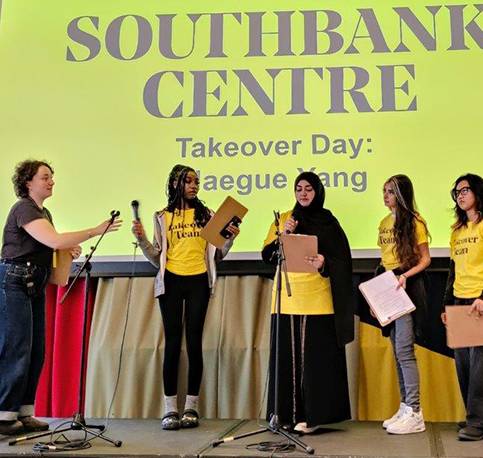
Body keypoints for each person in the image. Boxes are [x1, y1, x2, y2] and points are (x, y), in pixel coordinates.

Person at [0, 160, 121, 436]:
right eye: (45, 177)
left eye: (52, 177)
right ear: (28, 182)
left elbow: (52, 246)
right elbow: (54, 240)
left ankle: (24, 411)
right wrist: (94, 230)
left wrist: (69, 249)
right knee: (16, 347)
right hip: (14, 282)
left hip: (33, 284)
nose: (51, 182)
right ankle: (4, 414)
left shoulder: (44, 212)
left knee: (36, 350)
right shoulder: (23, 208)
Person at [132, 164, 239, 431]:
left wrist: (229, 240)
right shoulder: (162, 216)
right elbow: (157, 257)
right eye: (188, 181)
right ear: (175, 184)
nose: (194, 185)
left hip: (199, 281)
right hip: (171, 282)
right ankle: (170, 409)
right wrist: (143, 239)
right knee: (171, 344)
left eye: (196, 181)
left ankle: (191, 407)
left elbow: (218, 255)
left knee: (193, 343)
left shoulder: (208, 215)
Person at [261, 172, 353, 434]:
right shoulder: (284, 219)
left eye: (309, 189)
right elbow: (267, 256)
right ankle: (284, 415)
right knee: (286, 361)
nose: (303, 194)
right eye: (299, 189)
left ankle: (311, 417)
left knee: (314, 364)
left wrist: (325, 262)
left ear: (318, 192)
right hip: (286, 299)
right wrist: (283, 234)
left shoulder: (328, 222)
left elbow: (342, 261)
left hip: (316, 301)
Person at [442, 174, 483, 441]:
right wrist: (447, 304)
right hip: (461, 301)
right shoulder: (458, 230)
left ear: (478, 192)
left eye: (465, 190)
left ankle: (479, 421)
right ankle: (480, 419)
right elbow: (452, 269)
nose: (460, 195)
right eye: (456, 191)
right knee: (465, 366)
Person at [376, 175, 431, 435]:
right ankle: (405, 406)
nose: (385, 196)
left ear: (402, 194)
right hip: (387, 285)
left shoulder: (416, 221)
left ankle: (415, 411)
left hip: (406, 285)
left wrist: (405, 276)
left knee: (405, 349)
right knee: (396, 350)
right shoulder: (384, 222)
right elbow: (384, 258)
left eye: (390, 191)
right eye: (384, 191)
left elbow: (425, 259)